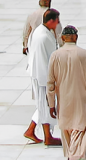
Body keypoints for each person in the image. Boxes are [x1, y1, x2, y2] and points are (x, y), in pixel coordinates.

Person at [47, 24, 86, 160]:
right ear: (76, 37)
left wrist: (51, 104)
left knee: (67, 134)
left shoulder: (55, 55)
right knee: (79, 133)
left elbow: (50, 83)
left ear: (63, 38)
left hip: (64, 103)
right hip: (80, 103)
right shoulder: (84, 54)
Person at [25, 8, 62, 147]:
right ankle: (48, 137)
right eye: (57, 21)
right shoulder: (43, 36)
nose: (58, 23)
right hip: (42, 76)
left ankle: (31, 130)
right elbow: (43, 59)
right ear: (51, 21)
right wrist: (49, 81)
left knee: (43, 104)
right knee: (46, 104)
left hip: (39, 73)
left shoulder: (41, 31)